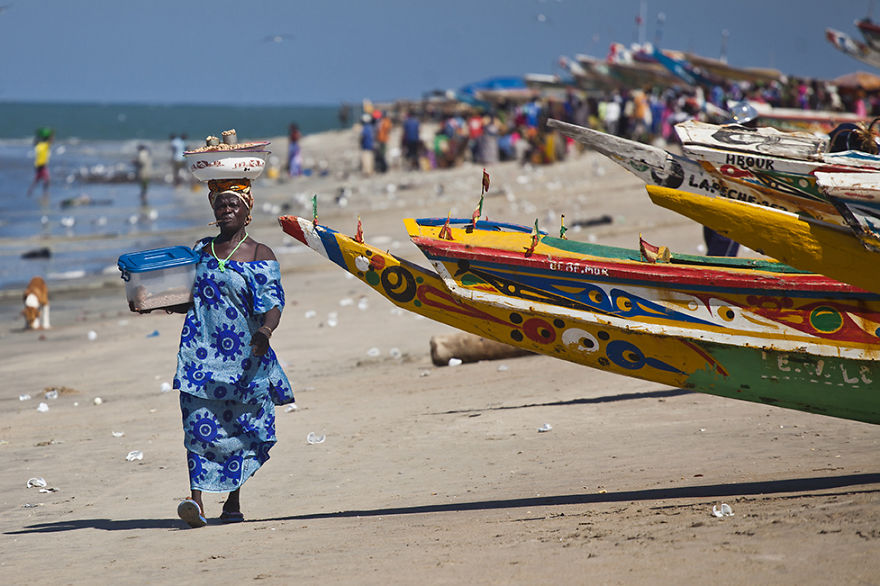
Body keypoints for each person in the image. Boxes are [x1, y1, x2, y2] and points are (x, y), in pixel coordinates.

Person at [165, 177, 294, 528]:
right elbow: (186, 300)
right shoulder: (200, 251)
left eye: (232, 204)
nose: (225, 210)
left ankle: (233, 502)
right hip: (199, 354)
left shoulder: (259, 255)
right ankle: (196, 502)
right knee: (197, 426)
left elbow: (273, 304)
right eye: (220, 204)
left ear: (247, 211)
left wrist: (266, 332)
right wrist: (150, 303)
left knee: (239, 429)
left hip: (243, 359)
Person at [27, 127, 53, 200]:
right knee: (46, 179)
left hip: (38, 165)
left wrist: (37, 135)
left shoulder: (39, 146)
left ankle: (30, 191)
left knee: (38, 179)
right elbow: (50, 141)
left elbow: (34, 143)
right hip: (42, 165)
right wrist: (52, 134)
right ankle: (45, 193)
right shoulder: (45, 146)